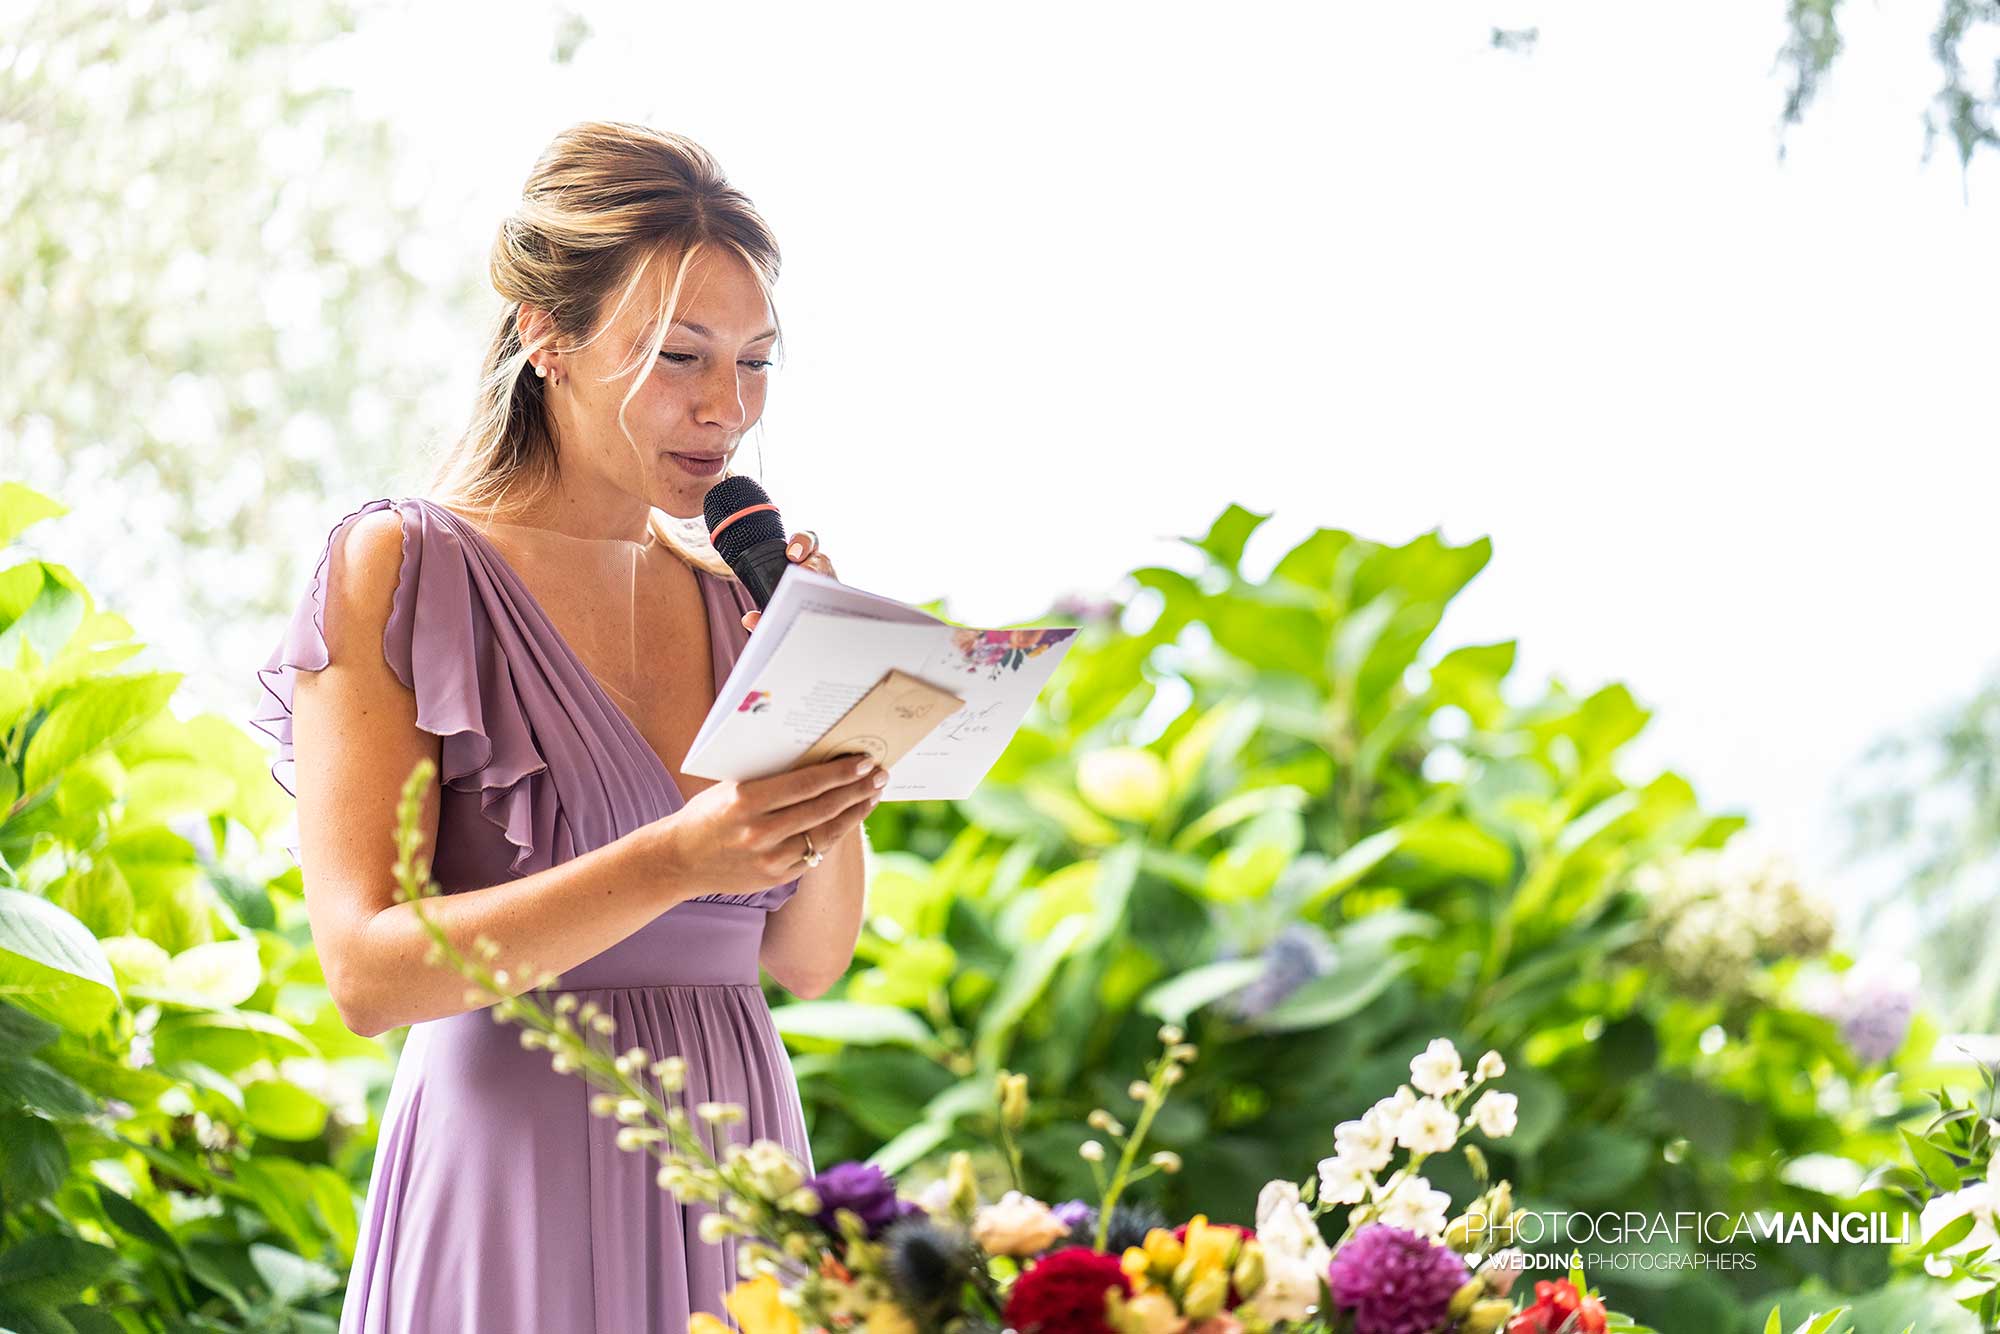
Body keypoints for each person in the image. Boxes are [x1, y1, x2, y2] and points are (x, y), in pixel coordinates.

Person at [249, 121, 881, 1333]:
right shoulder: (401, 565)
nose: (727, 408)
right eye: (681, 356)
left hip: (739, 1172)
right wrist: (675, 858)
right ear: (547, 335)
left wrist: (826, 712)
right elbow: (367, 971)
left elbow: (803, 958)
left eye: (755, 361)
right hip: (512, 1178)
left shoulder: (727, 591)